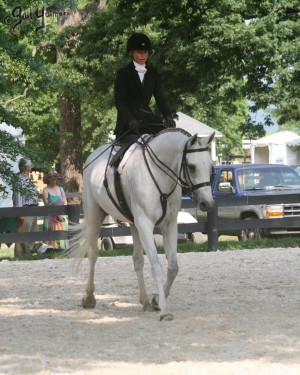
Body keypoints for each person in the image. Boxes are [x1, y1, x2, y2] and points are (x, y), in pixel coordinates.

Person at [114, 32, 176, 145]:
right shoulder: (123, 74)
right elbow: (120, 101)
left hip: (148, 121)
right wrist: (130, 119)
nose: (143, 55)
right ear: (131, 52)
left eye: (145, 52)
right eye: (139, 52)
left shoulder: (153, 74)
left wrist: (168, 116)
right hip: (128, 123)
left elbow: (161, 99)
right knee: (122, 153)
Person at [12, 159, 39, 257]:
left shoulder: (28, 178)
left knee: (32, 232)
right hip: (25, 209)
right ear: (24, 167)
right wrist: (20, 212)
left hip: (33, 209)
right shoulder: (19, 178)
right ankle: (21, 255)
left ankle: (29, 254)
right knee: (23, 233)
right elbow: (17, 196)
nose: (31, 166)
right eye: (30, 165)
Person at [42, 171, 69, 251]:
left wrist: (61, 214)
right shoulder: (46, 190)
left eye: (55, 178)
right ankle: (51, 250)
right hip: (50, 216)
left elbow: (65, 202)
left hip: (61, 215)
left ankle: (64, 249)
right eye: (51, 178)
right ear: (48, 179)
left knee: (63, 232)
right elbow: (47, 203)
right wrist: (56, 214)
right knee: (51, 234)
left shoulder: (61, 189)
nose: (53, 180)